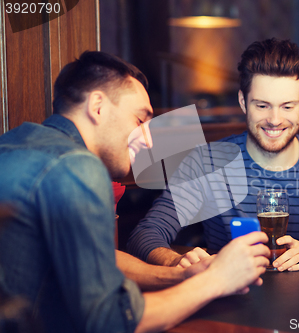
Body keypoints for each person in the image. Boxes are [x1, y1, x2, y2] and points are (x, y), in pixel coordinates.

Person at [0, 51, 270, 333]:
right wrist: (216, 279)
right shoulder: (78, 166)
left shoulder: (13, 143)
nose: (149, 140)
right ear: (98, 106)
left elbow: (96, 255)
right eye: (141, 121)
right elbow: (111, 321)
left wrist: (181, 275)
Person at [127, 38, 299, 272]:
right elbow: (145, 234)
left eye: (287, 106)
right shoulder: (207, 162)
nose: (274, 120)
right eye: (262, 106)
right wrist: (175, 261)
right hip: (232, 299)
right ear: (243, 102)